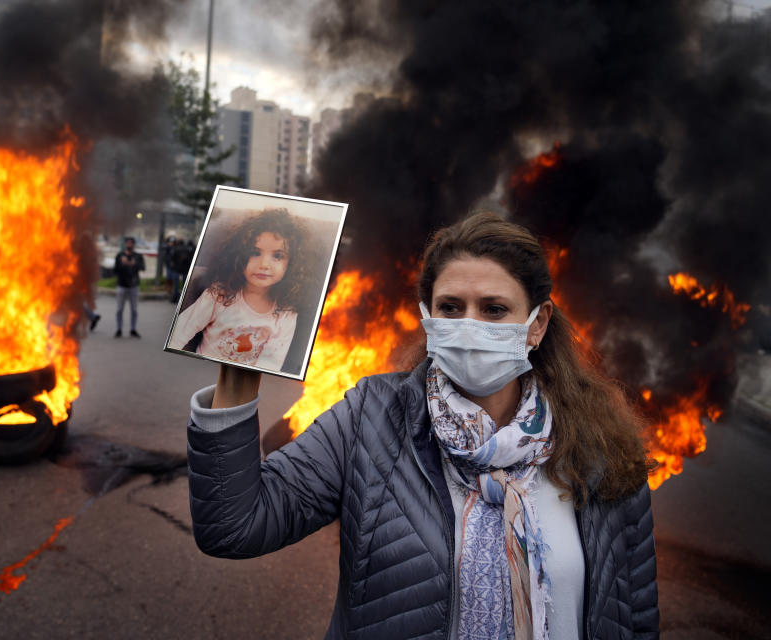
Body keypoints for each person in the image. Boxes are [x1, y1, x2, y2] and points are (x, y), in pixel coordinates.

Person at [186, 212, 658, 639]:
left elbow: (635, 616)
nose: (470, 326)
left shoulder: (603, 451)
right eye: (451, 308)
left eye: (494, 309)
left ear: (537, 324)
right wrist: (235, 370)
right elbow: (235, 526)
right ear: (428, 317)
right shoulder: (369, 418)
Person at [168, 209, 309, 372]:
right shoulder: (218, 295)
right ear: (239, 256)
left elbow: (272, 363)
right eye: (255, 253)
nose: (264, 264)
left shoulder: (286, 313)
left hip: (243, 382)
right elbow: (179, 332)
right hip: (204, 371)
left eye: (277, 256)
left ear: (291, 264)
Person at [114, 236, 145, 338]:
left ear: (133, 244)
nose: (129, 245)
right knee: (119, 309)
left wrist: (133, 264)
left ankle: (133, 329)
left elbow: (142, 267)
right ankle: (119, 329)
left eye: (131, 243)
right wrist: (122, 264)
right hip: (122, 285)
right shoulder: (120, 255)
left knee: (134, 310)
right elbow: (115, 270)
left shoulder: (137, 256)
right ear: (125, 244)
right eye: (127, 243)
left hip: (134, 286)